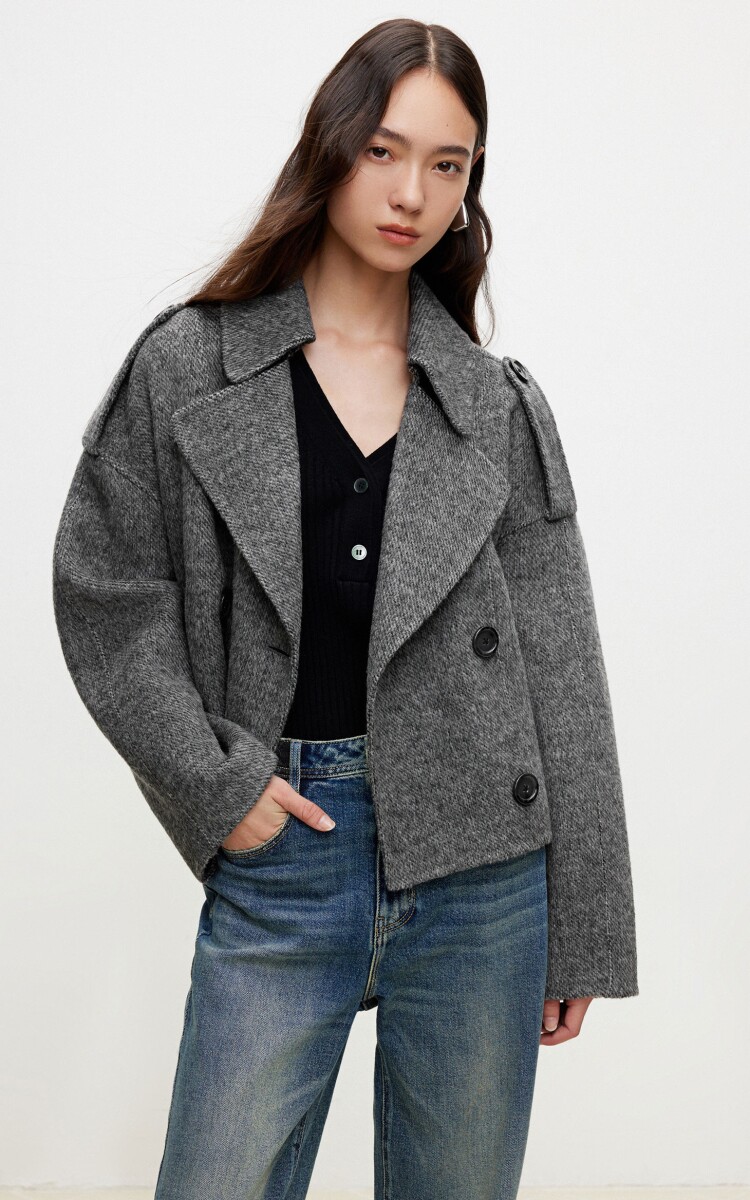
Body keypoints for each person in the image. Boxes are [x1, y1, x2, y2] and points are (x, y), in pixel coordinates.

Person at [52, 18, 638, 1200]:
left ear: (470, 188)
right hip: (288, 844)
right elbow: (108, 595)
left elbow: (563, 665)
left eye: (447, 164)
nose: (412, 193)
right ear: (331, 147)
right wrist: (219, 788)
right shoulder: (191, 365)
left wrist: (583, 924)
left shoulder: (495, 404)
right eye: (385, 150)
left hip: (482, 872)